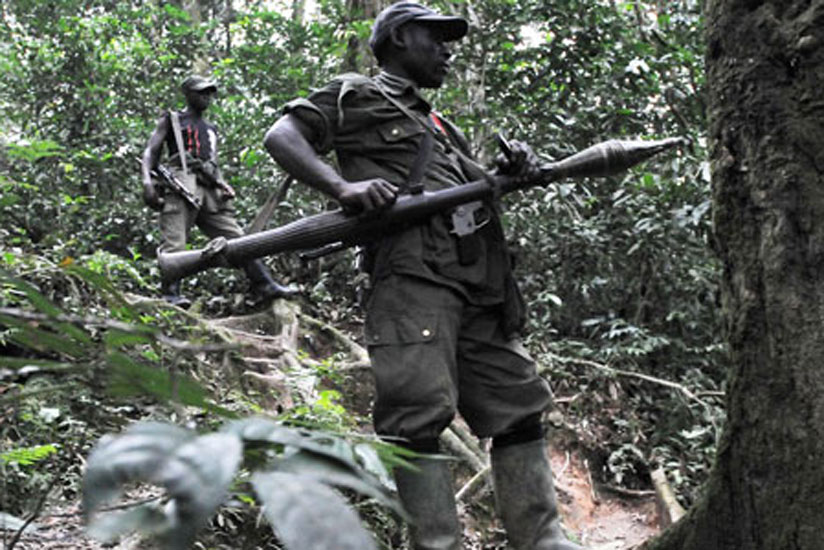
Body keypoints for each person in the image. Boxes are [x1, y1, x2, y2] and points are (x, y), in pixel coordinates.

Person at [264, 3, 584, 549]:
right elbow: (282, 136)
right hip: (413, 280)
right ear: (398, 37)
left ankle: (543, 540)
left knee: (518, 405)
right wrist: (343, 188)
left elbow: (472, 187)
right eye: (435, 37)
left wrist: (509, 171)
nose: (447, 49)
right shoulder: (355, 93)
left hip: (477, 285)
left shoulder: (439, 125)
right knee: (416, 416)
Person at [141, 75, 296, 307]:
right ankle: (171, 296)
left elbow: (210, 162)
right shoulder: (173, 119)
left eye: (209, 92)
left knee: (239, 240)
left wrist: (222, 184)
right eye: (201, 92)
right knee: (175, 242)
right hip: (181, 185)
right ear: (188, 94)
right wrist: (147, 183)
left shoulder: (210, 128)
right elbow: (150, 152)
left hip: (210, 191)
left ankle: (264, 284)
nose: (206, 97)